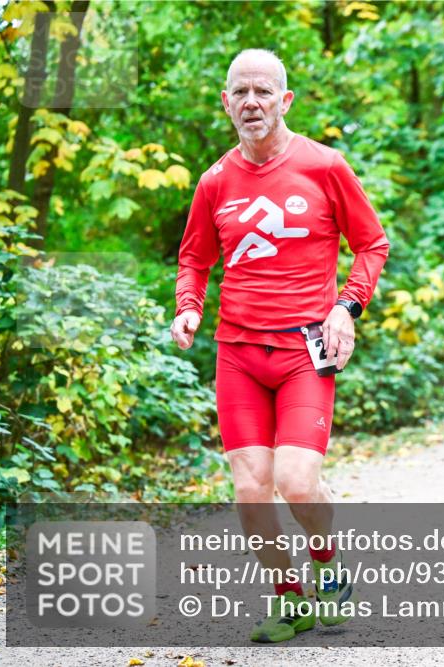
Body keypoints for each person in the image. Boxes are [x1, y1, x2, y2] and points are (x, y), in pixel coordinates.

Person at [170, 49, 390, 643]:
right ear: (225, 102)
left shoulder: (324, 166)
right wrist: (188, 307)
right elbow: (194, 258)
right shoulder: (215, 181)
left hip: (303, 349)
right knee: (250, 489)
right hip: (238, 352)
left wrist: (347, 308)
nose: (251, 102)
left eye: (263, 91)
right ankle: (289, 600)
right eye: (239, 92)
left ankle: (329, 569)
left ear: (285, 100)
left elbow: (372, 244)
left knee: (296, 482)